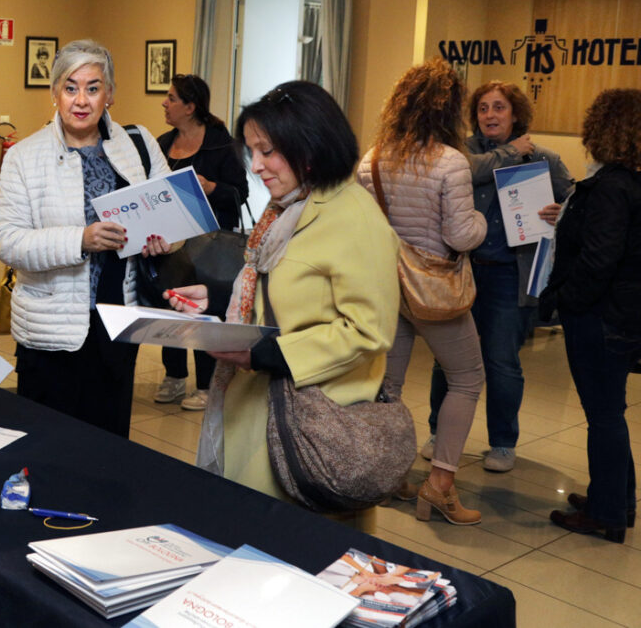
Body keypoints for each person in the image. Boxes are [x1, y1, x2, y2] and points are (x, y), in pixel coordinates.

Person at [167, 81, 400, 501]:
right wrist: (217, 299)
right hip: (256, 409)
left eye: (267, 151)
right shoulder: (287, 208)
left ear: (310, 146)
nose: (256, 166)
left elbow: (370, 331)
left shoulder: (354, 218)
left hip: (311, 426)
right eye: (252, 151)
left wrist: (261, 353)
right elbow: (277, 291)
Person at [0, 39, 170, 438]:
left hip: (117, 322)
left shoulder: (139, 145)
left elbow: (167, 216)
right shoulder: (25, 156)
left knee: (109, 444)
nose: (81, 100)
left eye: (93, 87)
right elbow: (6, 240)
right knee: (50, 444)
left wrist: (163, 240)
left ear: (110, 94)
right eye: (70, 87)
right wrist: (81, 240)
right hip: (51, 330)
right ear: (55, 92)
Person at [355, 59, 486, 525]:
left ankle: (389, 476)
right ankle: (440, 486)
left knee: (387, 384)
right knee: (467, 377)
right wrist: (484, 223)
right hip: (434, 291)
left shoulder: (372, 159)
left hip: (388, 287)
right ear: (450, 110)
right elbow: (461, 234)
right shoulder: (451, 162)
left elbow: (366, 227)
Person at [424, 81, 572, 473]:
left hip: (509, 276)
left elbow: (576, 198)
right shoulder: (462, 153)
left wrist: (562, 212)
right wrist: (510, 153)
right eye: (483, 108)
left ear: (515, 113)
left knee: (502, 361)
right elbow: (471, 171)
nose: (490, 115)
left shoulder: (542, 159)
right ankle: (439, 431)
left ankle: (503, 443)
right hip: (462, 271)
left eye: (499, 108)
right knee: (447, 360)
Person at [543, 88, 641, 542]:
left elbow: (599, 259)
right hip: (621, 314)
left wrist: (567, 299)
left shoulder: (610, 188)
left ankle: (606, 514)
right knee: (611, 411)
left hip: (601, 316)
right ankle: (616, 499)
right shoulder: (628, 184)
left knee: (603, 415)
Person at [152, 73, 250, 411]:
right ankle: (174, 375)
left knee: (204, 312)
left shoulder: (221, 144)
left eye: (172, 98)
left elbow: (240, 193)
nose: (165, 103)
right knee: (172, 304)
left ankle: (208, 385)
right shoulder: (162, 144)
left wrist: (210, 188)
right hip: (171, 243)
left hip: (211, 246)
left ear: (191, 107)